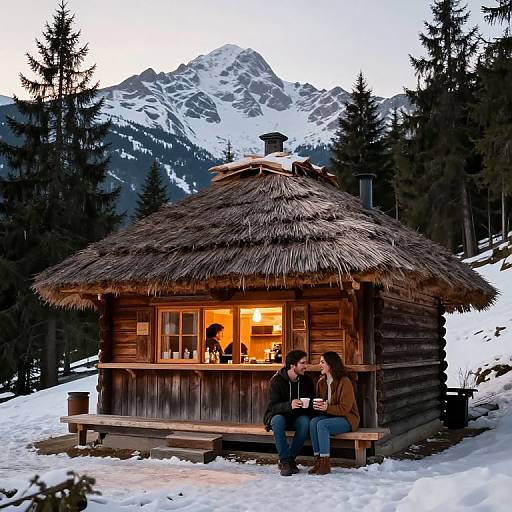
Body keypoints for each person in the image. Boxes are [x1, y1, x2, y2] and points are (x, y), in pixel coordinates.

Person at [263, 349, 315, 476]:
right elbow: (272, 407)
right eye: (302, 363)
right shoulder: (277, 381)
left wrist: (309, 405)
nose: (305, 366)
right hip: (279, 416)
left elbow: (312, 400)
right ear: (292, 366)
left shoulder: (307, 380)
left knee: (305, 421)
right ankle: (285, 461)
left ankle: (291, 459)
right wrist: (289, 405)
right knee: (278, 420)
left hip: (297, 417)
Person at [309, 351, 360, 475]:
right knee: (313, 422)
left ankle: (325, 464)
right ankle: (318, 461)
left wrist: (326, 408)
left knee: (322, 425)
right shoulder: (321, 382)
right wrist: (316, 406)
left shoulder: (344, 381)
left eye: (322, 362)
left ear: (331, 364)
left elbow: (345, 408)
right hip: (330, 417)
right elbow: (323, 405)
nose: (319, 365)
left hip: (348, 418)